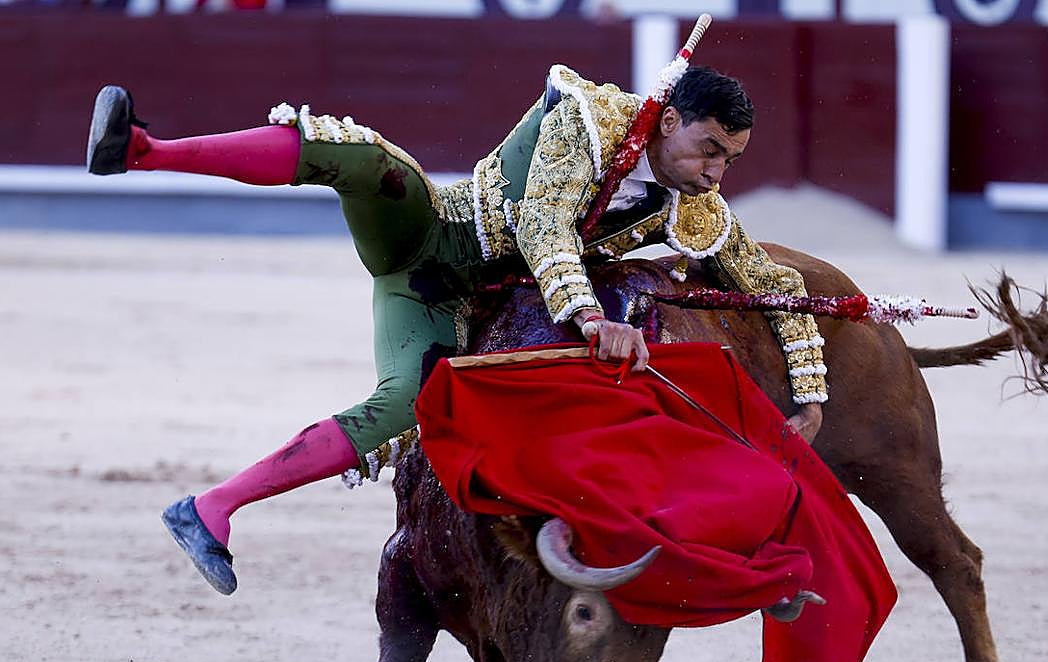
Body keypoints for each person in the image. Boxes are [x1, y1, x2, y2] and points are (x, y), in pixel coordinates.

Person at [85, 63, 828, 596]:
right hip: (432, 235)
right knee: (368, 159)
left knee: (405, 403)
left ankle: (211, 508)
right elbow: (542, 224)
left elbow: (776, 284)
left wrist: (811, 387)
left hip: (448, 307)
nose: (715, 174)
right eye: (709, 151)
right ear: (669, 122)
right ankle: (144, 152)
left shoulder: (695, 212)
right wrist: (593, 315)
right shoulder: (587, 119)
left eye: (730, 161)